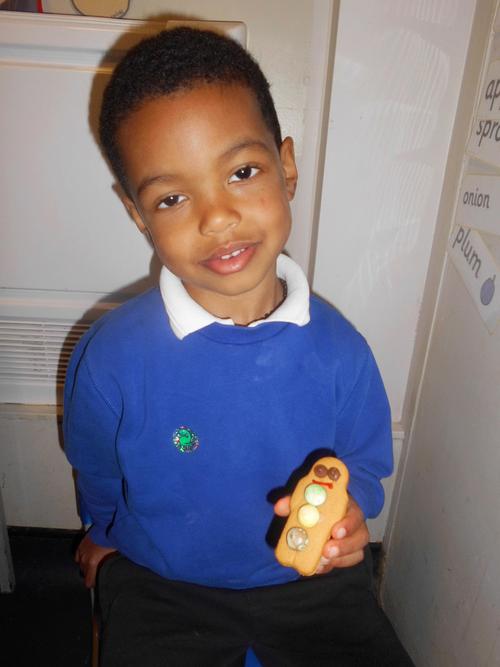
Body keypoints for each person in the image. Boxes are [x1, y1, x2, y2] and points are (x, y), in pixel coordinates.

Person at [63, 27, 413, 667]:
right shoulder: (112, 356)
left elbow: (364, 462)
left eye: (242, 172)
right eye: (172, 198)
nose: (217, 218)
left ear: (287, 167)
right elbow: (97, 465)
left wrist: (349, 517)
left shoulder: (341, 351)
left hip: (310, 581)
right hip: (162, 580)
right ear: (139, 216)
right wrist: (104, 532)